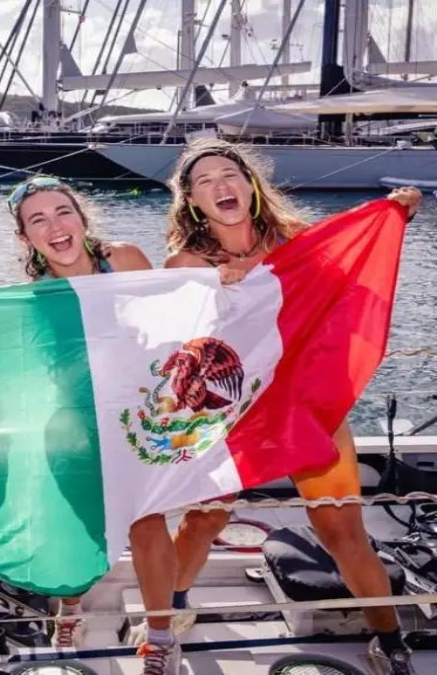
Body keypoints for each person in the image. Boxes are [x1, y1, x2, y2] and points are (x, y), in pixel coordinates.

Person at [130, 138, 421, 675]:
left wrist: (388, 216)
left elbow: (352, 290)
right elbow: (171, 347)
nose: (222, 186)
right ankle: (170, 614)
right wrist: (212, 290)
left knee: (342, 531)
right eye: (206, 182)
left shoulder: (300, 244)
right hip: (233, 418)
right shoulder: (187, 262)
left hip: (308, 406)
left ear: (250, 185)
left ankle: (390, 637)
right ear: (192, 202)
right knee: (203, 520)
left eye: (230, 174)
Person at [7, 175, 155, 651]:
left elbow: (178, 319)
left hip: (136, 418)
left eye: (62, 212)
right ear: (25, 237)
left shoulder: (126, 260)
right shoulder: (33, 297)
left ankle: (161, 634)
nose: (54, 226)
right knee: (74, 523)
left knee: (149, 525)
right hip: (71, 422)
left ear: (82, 217)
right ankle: (70, 607)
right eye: (38, 220)